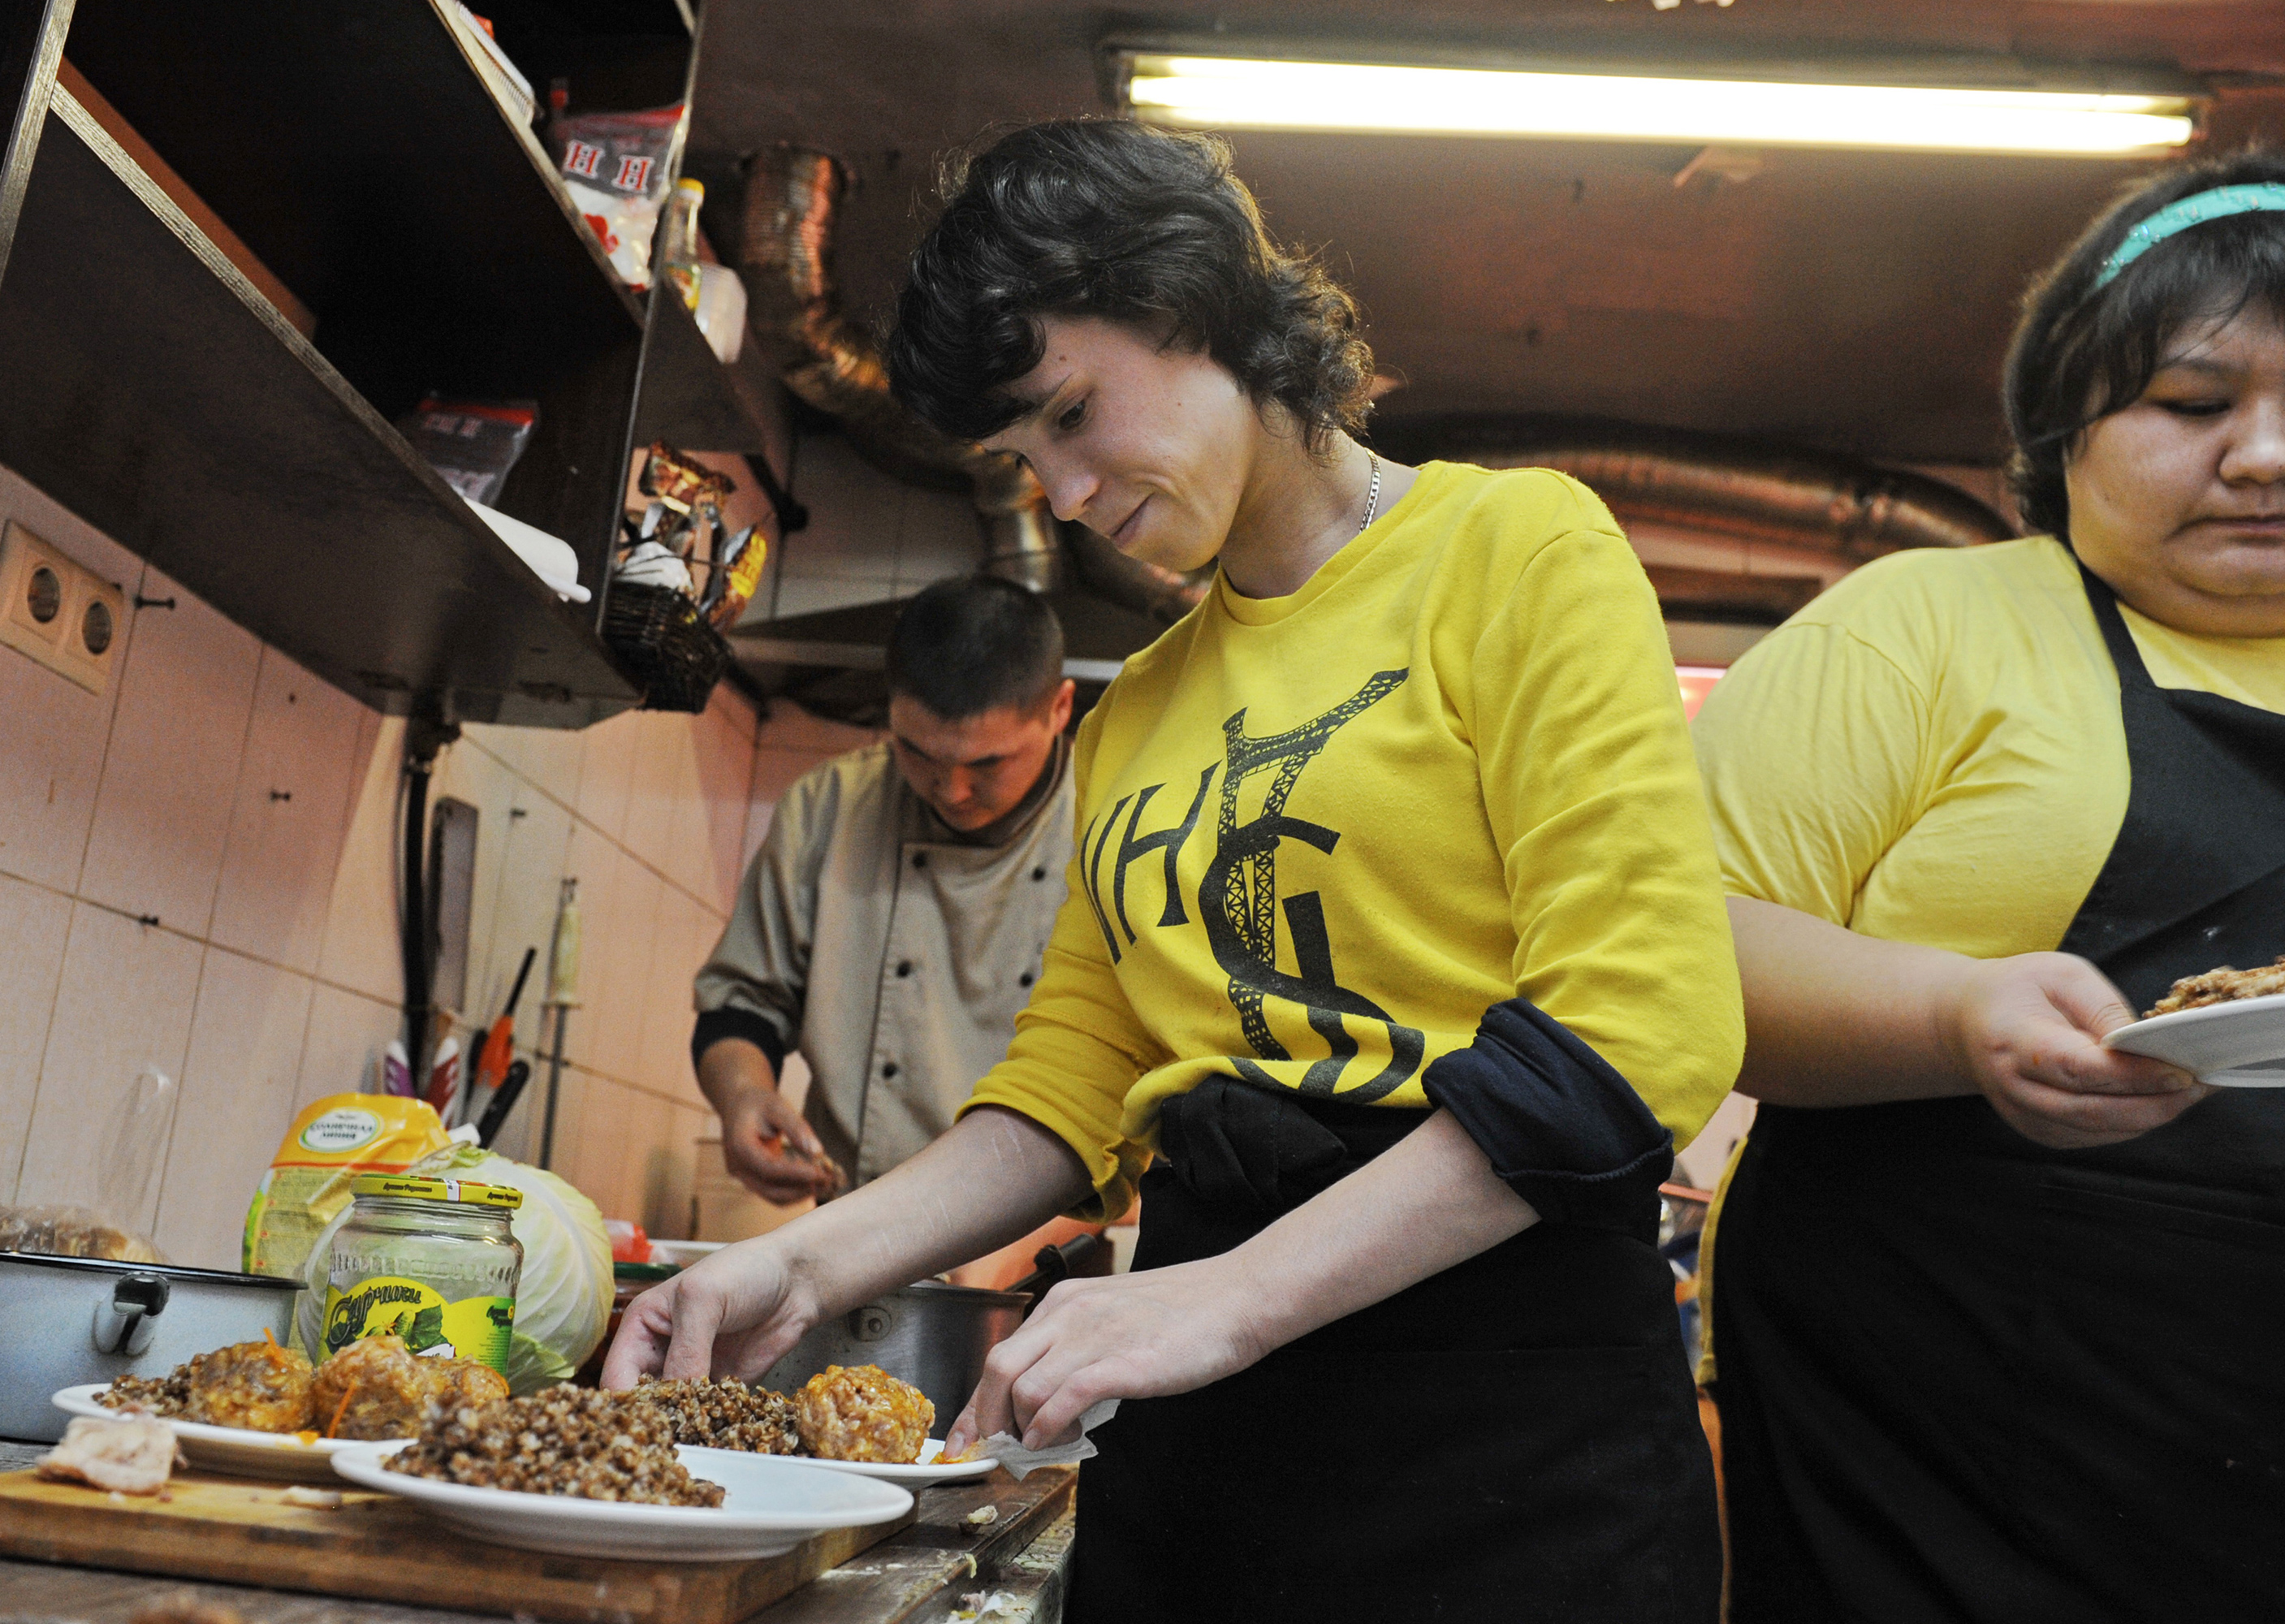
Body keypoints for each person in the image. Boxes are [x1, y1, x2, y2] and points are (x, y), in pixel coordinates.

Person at [610, 118, 1744, 1618]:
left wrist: (1229, 1300)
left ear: (1198, 302)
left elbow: (1637, 1034)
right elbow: (1072, 1090)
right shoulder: (1137, 706)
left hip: (1502, 1420)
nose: (1066, 496)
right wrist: (802, 1270)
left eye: (1073, 414)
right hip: (1204, 1446)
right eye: (1025, 460)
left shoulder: (1517, 553)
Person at [1691, 149, 2285, 1620]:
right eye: (2192, 403)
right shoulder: (1926, 626)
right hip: (1954, 1441)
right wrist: (1956, 1016)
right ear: (2066, 425)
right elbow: (1672, 945)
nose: (2272, 455)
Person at [691, 574, 1076, 1203]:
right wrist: (744, 1098)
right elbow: (742, 1004)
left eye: (986, 763)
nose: (950, 791)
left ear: (1059, 708)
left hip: (1045, 1255)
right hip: (855, 1237)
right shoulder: (830, 806)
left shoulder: (1109, 831)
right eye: (917, 751)